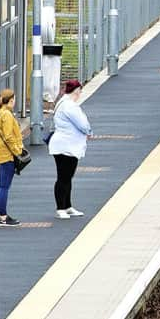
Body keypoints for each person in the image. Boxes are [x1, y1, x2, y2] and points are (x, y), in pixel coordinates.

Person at [48, 79, 93, 219]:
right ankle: (61, 207)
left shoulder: (63, 102)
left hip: (65, 145)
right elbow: (83, 124)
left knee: (67, 177)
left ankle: (67, 206)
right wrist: (89, 132)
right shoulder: (69, 106)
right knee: (64, 177)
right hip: (66, 146)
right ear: (76, 91)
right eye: (80, 91)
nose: (80, 94)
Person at [0, 88, 24, 227]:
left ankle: (2, 215)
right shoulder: (7, 115)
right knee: (4, 186)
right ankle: (3, 216)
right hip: (8, 154)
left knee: (2, 186)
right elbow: (8, 136)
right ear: (11, 100)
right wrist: (17, 150)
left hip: (3, 153)